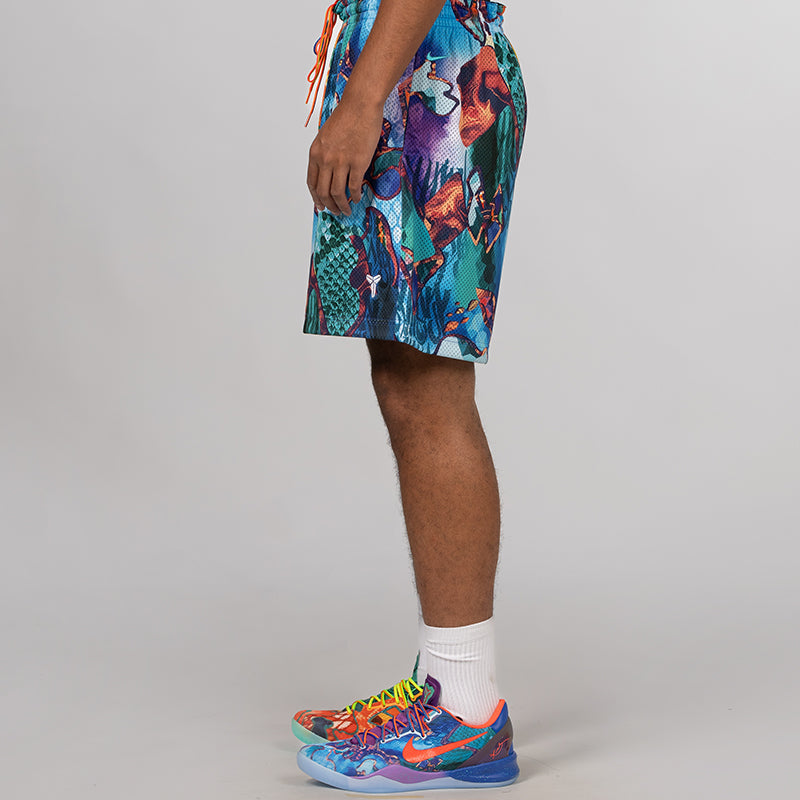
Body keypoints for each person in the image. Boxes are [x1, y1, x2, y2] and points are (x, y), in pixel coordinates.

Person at [294, 0, 527, 791]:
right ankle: (444, 683)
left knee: (426, 383)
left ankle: (466, 710)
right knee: (401, 376)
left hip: (433, 77)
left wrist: (363, 102)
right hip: (412, 72)